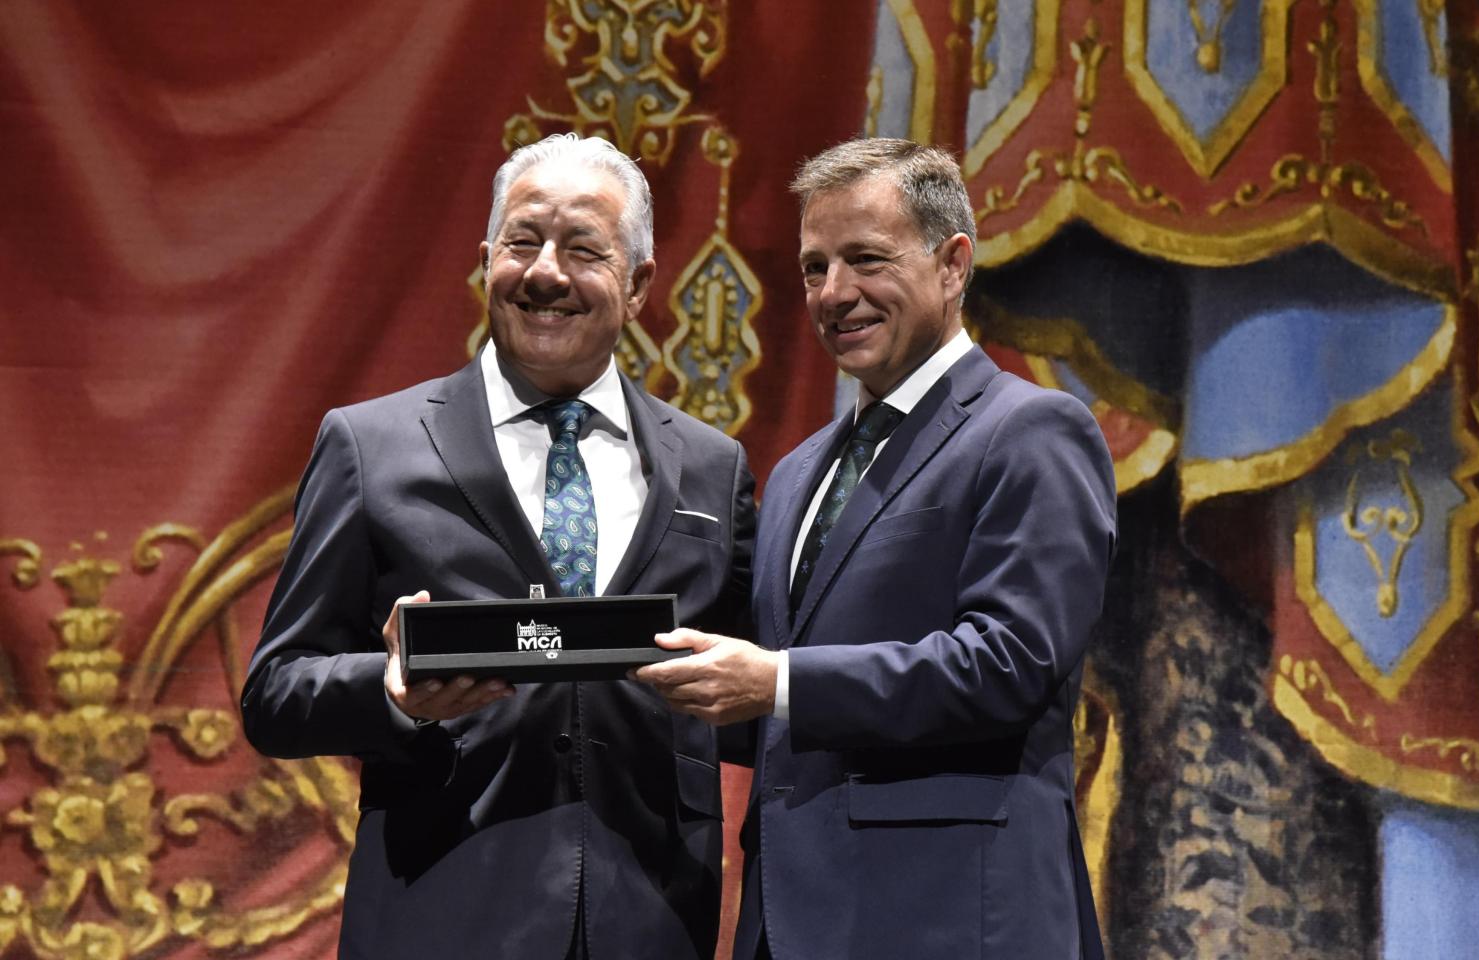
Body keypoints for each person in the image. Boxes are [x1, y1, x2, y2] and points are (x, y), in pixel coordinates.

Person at [242, 133, 754, 960]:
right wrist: (395, 692)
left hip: (655, 921)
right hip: (444, 914)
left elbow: (742, 697)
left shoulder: (712, 468)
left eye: (583, 248)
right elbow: (274, 692)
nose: (545, 272)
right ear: (487, 260)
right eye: (522, 241)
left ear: (639, 283)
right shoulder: (372, 447)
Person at [635, 138, 1116, 960]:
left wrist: (776, 681)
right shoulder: (794, 473)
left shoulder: (1030, 431)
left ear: (954, 264)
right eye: (815, 267)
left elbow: (1007, 664)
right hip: (791, 924)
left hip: (954, 921)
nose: (835, 293)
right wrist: (571, 681)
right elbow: (767, 705)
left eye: (865, 260)